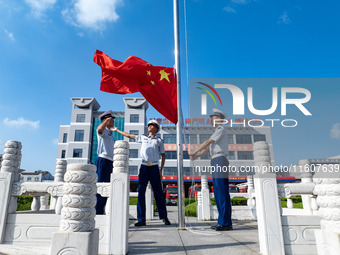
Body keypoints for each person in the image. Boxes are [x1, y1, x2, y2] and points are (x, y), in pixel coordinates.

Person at [112, 119, 171, 226]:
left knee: (158, 193)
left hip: (154, 168)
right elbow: (129, 136)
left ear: (156, 128)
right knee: (141, 193)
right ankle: (141, 219)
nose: (149, 126)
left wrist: (161, 171)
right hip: (144, 167)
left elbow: (163, 156)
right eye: (148, 125)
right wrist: (117, 130)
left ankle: (164, 217)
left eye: (151, 125)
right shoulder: (143, 138)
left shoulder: (159, 141)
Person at [190, 109, 232, 231]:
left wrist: (194, 151)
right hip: (215, 160)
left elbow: (207, 142)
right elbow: (208, 149)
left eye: (214, 117)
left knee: (222, 192)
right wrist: (196, 156)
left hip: (220, 159)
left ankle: (225, 222)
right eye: (212, 118)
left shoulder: (221, 130)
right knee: (218, 192)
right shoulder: (216, 132)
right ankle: (223, 221)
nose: (212, 120)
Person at [95, 110, 115, 215]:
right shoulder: (103, 130)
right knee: (101, 186)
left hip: (110, 162)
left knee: (108, 187)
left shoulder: (110, 133)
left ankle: (101, 209)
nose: (113, 121)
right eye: (112, 119)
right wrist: (106, 121)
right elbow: (99, 129)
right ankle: (97, 211)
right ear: (106, 120)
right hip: (103, 160)